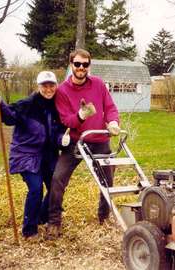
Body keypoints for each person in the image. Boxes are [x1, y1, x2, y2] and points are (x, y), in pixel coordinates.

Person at [46, 49, 120, 239]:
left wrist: (112, 122)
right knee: (57, 179)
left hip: (99, 140)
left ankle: (104, 217)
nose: (81, 68)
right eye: (77, 64)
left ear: (89, 66)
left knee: (107, 181)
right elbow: (65, 120)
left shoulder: (98, 84)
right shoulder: (62, 90)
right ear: (71, 65)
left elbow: (110, 107)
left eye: (85, 65)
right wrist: (80, 115)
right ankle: (54, 222)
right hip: (76, 143)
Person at [0, 71, 70, 240]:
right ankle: (29, 230)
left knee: (57, 186)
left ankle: (42, 215)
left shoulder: (57, 106)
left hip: (48, 155)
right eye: (44, 85)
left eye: (51, 85)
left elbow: (58, 132)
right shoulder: (28, 104)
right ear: (38, 86)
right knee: (35, 188)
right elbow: (8, 117)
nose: (48, 89)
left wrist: (62, 138)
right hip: (26, 154)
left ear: (56, 86)